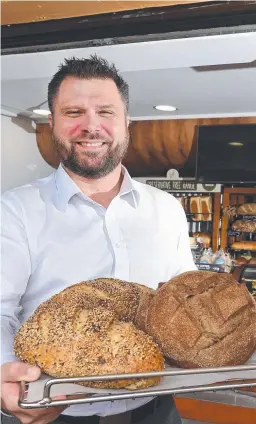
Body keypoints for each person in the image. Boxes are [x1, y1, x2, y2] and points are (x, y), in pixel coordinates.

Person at [1, 55, 197, 424]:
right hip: (55, 412)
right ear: (53, 124)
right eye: (74, 112)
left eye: (105, 112)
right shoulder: (14, 211)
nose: (91, 126)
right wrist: (4, 372)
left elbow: (181, 299)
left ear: (126, 124)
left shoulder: (166, 208)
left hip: (155, 409)